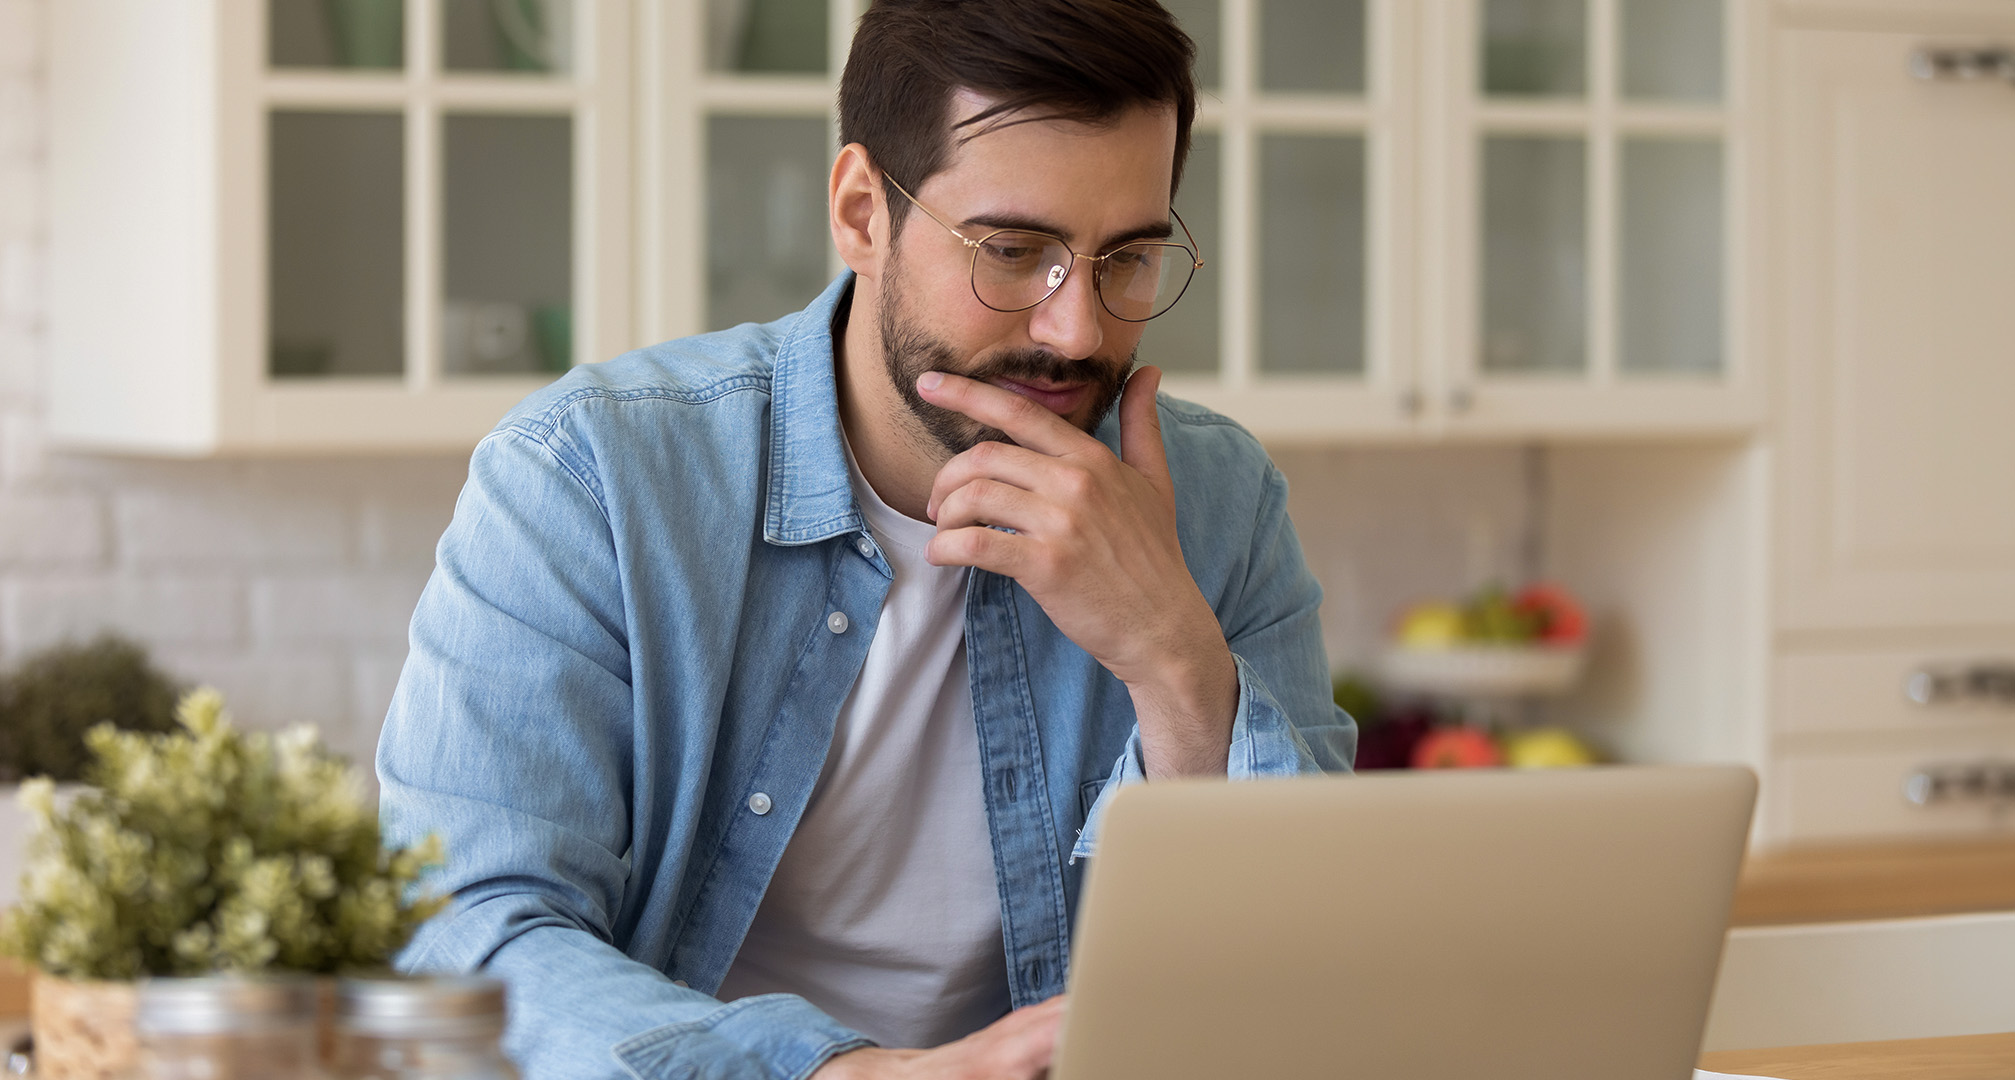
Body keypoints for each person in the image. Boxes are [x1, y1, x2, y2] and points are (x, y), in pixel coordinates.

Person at [376, 0, 1355, 1077]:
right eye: (1013, 251)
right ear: (858, 211)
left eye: (1125, 260)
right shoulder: (592, 477)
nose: (1075, 329)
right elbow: (466, 938)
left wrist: (1174, 660)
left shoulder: (1218, 503)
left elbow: (1313, 982)